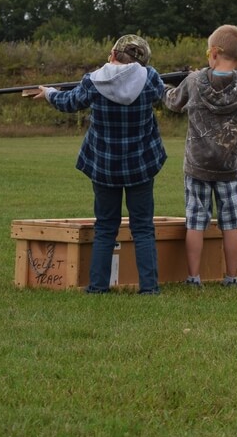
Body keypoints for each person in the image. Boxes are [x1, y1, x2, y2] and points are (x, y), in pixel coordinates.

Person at [34, 35, 167, 294]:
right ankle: (149, 288)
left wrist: (49, 93)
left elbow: (68, 102)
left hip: (104, 166)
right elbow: (167, 94)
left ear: (113, 53)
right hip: (140, 165)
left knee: (105, 226)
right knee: (143, 227)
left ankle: (97, 287)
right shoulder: (150, 77)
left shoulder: (92, 81)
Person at [163, 25, 237, 288]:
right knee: (231, 225)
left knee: (195, 222)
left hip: (198, 166)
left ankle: (193, 277)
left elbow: (173, 102)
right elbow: (227, 80)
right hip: (232, 166)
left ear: (213, 52)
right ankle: (231, 277)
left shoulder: (193, 81)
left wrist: (166, 87)